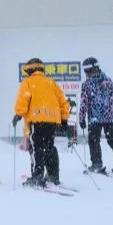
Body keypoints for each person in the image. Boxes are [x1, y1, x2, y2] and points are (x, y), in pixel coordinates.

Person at [13, 57, 71, 187]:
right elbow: (63, 102)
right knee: (49, 147)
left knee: (36, 148)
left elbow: (23, 100)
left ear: (31, 70)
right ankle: (53, 175)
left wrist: (18, 114)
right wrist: (64, 119)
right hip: (52, 121)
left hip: (36, 120)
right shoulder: (51, 83)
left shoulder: (28, 82)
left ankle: (37, 177)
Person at [78, 57, 113, 174]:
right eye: (86, 72)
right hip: (107, 117)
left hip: (97, 118)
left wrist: (82, 117)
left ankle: (99, 164)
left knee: (96, 140)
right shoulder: (107, 81)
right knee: (110, 140)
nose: (88, 74)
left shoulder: (89, 84)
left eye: (88, 71)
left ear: (95, 68)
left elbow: (84, 101)